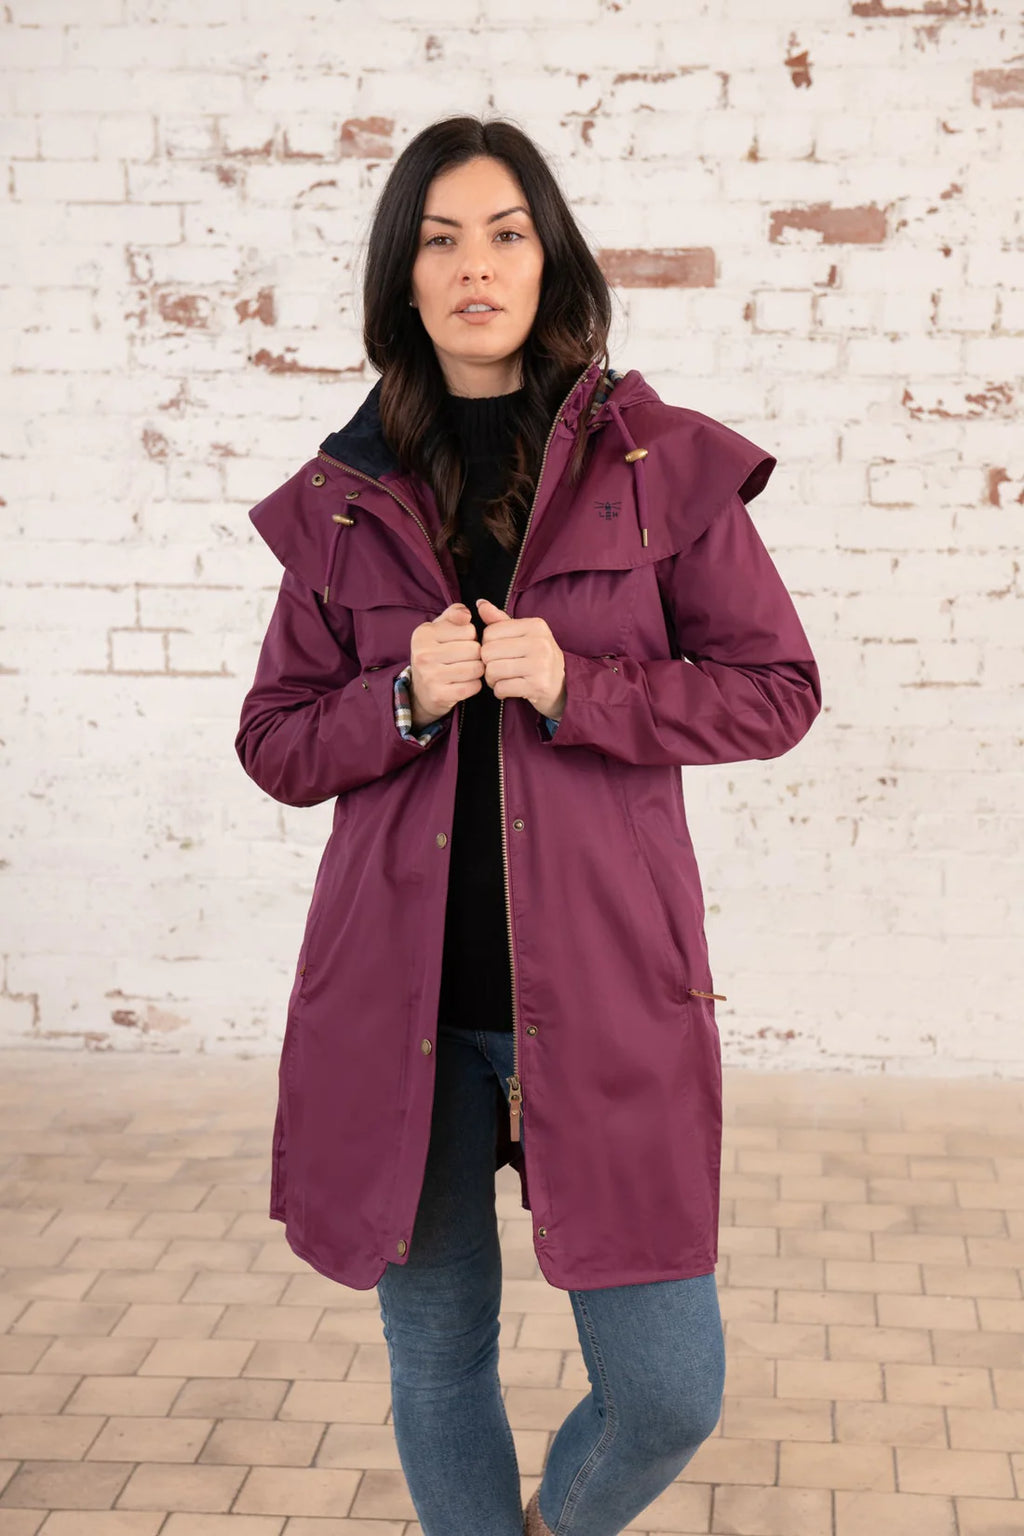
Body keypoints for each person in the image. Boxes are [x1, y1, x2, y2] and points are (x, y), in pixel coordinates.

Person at [235, 114, 821, 1536]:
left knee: (669, 1387)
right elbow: (274, 740)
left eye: (504, 232)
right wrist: (397, 699)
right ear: (403, 275)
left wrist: (584, 686)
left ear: (549, 257)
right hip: (400, 1001)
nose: (473, 266)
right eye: (438, 240)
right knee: (438, 1351)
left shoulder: (661, 465)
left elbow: (777, 690)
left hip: (610, 986)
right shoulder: (344, 496)